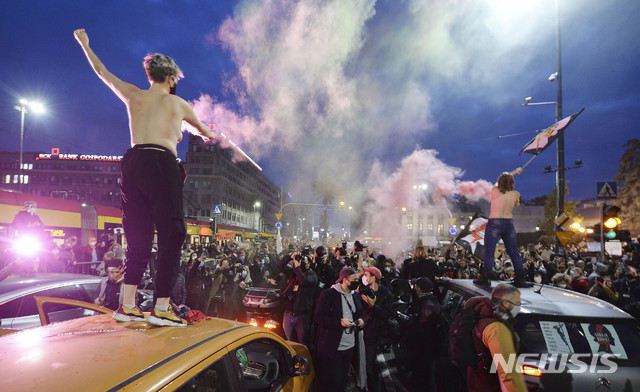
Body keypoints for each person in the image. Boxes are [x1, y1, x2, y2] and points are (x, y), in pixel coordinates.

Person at [74, 28, 216, 327]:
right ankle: (162, 308)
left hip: (133, 162)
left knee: (137, 240)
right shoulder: (179, 104)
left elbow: (102, 73)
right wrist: (211, 131)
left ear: (149, 74)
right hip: (161, 164)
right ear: (172, 78)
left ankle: (127, 305)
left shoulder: (134, 95)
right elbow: (207, 133)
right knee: (171, 235)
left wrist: (85, 44)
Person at [465, 283, 527, 392]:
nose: (519, 306)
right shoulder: (497, 328)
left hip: (476, 381)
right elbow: (509, 374)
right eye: (517, 303)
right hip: (489, 385)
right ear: (506, 303)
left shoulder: (481, 314)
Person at [474, 168, 530, 288]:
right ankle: (520, 278)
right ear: (512, 182)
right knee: (513, 251)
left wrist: (515, 171)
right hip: (509, 223)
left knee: (489, 251)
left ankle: (485, 277)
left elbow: (496, 183)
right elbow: (516, 204)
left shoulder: (495, 190)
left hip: (495, 221)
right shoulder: (516, 194)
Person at [314, 267, 365, 392]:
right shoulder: (328, 294)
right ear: (345, 280)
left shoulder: (356, 295)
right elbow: (318, 317)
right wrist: (339, 322)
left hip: (350, 345)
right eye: (354, 279)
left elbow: (359, 313)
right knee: (333, 381)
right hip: (333, 346)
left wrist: (361, 321)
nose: (356, 282)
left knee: (342, 378)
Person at [406, 277, 441, 392]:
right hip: (430, 347)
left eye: (416, 286)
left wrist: (410, 321)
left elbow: (422, 328)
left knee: (421, 375)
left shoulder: (426, 304)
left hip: (422, 347)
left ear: (419, 289)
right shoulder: (433, 301)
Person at [360, 266, 392, 392]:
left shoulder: (386, 293)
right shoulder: (363, 290)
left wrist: (374, 306)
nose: (364, 277)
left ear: (373, 278)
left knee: (370, 366)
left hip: (375, 334)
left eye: (367, 274)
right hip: (362, 331)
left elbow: (386, 315)